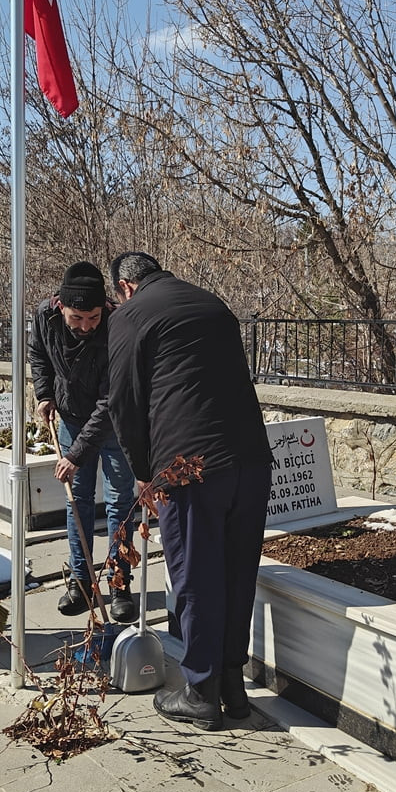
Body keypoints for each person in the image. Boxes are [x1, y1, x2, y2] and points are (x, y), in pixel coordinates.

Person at [106, 252, 272, 730]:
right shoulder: (212, 304)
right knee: (236, 573)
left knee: (197, 577)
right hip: (251, 459)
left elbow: (123, 400)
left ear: (125, 287)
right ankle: (232, 686)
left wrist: (143, 472)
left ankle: (201, 692)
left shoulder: (132, 316)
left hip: (191, 468)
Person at [29, 262, 138, 624]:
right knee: (76, 506)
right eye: (77, 319)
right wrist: (44, 394)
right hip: (72, 420)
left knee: (119, 504)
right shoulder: (44, 317)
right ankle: (82, 582)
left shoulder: (118, 324)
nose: (86, 327)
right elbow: (39, 356)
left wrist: (75, 455)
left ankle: (119, 583)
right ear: (61, 306)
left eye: (92, 318)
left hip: (115, 426)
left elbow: (110, 402)